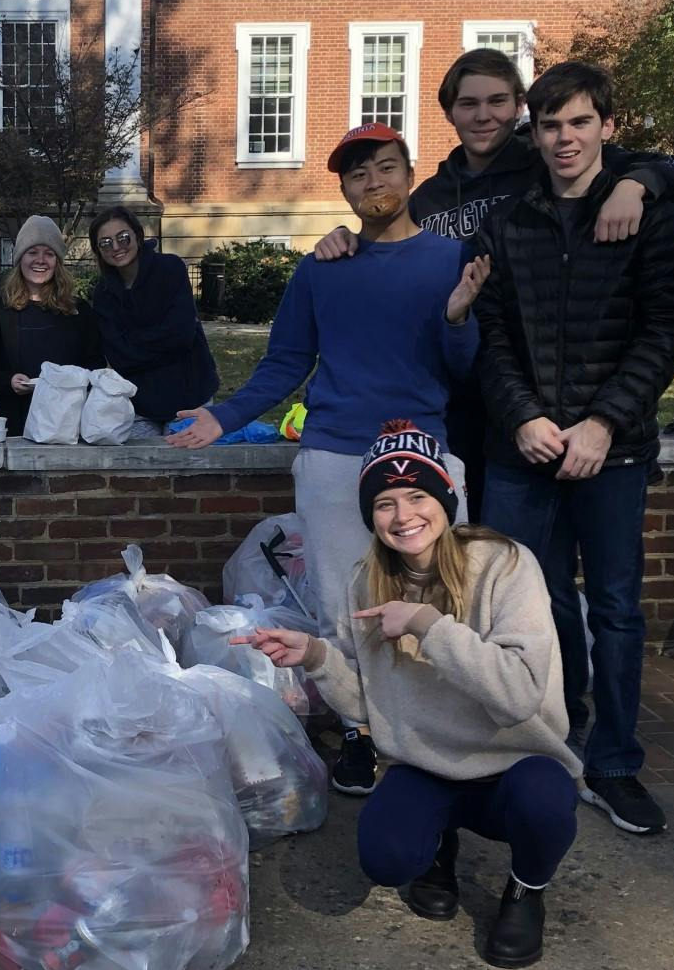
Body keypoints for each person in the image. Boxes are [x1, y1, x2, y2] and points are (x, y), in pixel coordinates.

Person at [171, 123, 487, 796]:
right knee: (343, 603)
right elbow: (286, 360)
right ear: (344, 189)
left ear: (410, 175)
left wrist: (459, 317)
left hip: (422, 452)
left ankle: (427, 723)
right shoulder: (322, 267)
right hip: (335, 452)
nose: (374, 183)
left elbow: (464, 371)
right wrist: (225, 416)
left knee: (435, 595)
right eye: (358, 174)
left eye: (385, 167)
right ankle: (359, 730)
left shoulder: (451, 258)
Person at [243, 420, 580, 969]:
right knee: (386, 858)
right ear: (370, 516)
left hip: (516, 761)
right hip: (426, 764)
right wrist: (316, 657)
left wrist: (427, 624)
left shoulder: (505, 564)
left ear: (446, 499)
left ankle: (525, 890)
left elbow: (519, 696)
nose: (402, 516)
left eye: (417, 496)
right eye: (385, 503)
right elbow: (369, 705)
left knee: (545, 801)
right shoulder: (365, 581)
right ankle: (438, 846)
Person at [311, 48, 674, 503]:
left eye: (497, 101)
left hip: (542, 396)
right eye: (468, 103)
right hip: (458, 397)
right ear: (449, 112)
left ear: (520, 107)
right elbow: (391, 240)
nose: (484, 115)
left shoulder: (554, 160)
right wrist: (347, 236)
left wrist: (635, 186)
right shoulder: (430, 198)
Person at [474, 61, 674, 837]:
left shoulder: (645, 215)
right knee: (527, 603)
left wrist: (604, 422)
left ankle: (614, 764)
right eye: (550, 125)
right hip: (525, 451)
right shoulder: (509, 222)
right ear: (533, 135)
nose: (564, 138)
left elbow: (666, 327)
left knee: (615, 608)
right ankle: (551, 735)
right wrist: (523, 418)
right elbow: (490, 335)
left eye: (578, 122)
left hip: (615, 452)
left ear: (606, 126)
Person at [87, 205, 217, 437]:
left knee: (187, 458)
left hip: (190, 395)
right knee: (139, 459)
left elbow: (181, 334)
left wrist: (134, 344)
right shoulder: (103, 294)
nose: (116, 247)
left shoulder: (170, 269)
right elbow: (117, 356)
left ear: (138, 235)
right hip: (140, 403)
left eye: (123, 238)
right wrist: (160, 340)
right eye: (105, 243)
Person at [0, 214, 103, 428]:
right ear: (20, 258)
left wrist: (72, 382)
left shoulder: (79, 311)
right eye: (32, 252)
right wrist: (8, 381)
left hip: (68, 421)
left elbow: (95, 364)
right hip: (15, 420)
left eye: (49, 254)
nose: (40, 260)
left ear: (57, 262)